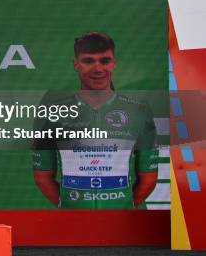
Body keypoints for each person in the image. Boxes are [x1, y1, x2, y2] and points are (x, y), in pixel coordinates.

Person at [32, 32, 159, 209]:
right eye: (89, 61)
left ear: (114, 63)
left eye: (105, 61)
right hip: (74, 223)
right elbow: (42, 177)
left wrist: (124, 208)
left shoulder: (138, 111)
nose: (98, 68)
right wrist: (69, 206)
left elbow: (149, 178)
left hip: (123, 223)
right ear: (76, 65)